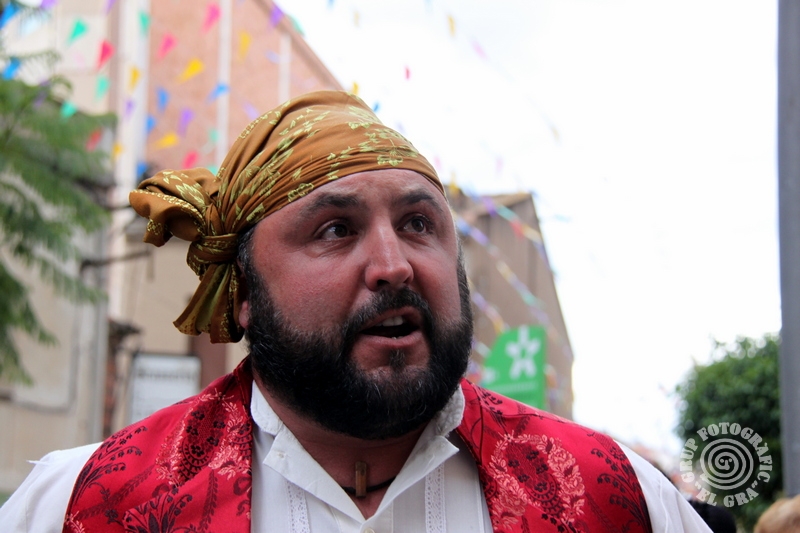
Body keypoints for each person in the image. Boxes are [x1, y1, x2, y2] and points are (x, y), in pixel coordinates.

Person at [0, 90, 712, 532]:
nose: (394, 264)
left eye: (418, 224)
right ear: (243, 292)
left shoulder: (622, 499)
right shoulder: (80, 504)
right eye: (335, 229)